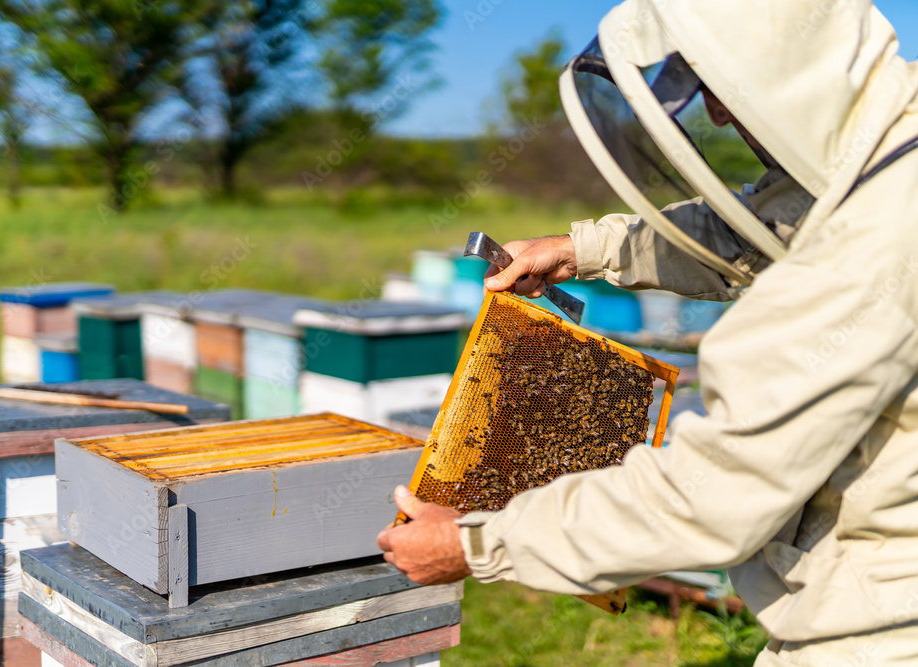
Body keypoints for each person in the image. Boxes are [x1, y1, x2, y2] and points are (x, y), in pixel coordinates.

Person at [377, 0, 918, 664]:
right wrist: (582, 250)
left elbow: (712, 493)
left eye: (718, 87)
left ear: (783, 68)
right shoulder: (892, 145)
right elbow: (754, 226)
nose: (715, 114)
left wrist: (476, 543)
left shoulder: (873, 243)